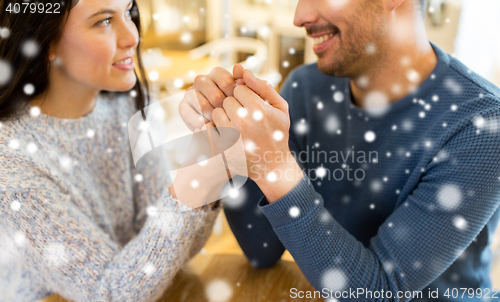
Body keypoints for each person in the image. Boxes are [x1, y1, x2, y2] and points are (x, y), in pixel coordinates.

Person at [181, 0, 500, 300]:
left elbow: (378, 290)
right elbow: (261, 249)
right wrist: (229, 142)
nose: (299, 16)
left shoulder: (482, 126)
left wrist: (276, 168)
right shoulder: (306, 88)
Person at [0, 0, 223, 301]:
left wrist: (208, 167)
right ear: (44, 41)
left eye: (128, 11)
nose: (132, 36)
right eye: (104, 21)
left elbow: (172, 252)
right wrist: (191, 185)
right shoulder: (11, 160)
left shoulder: (131, 106)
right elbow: (109, 294)